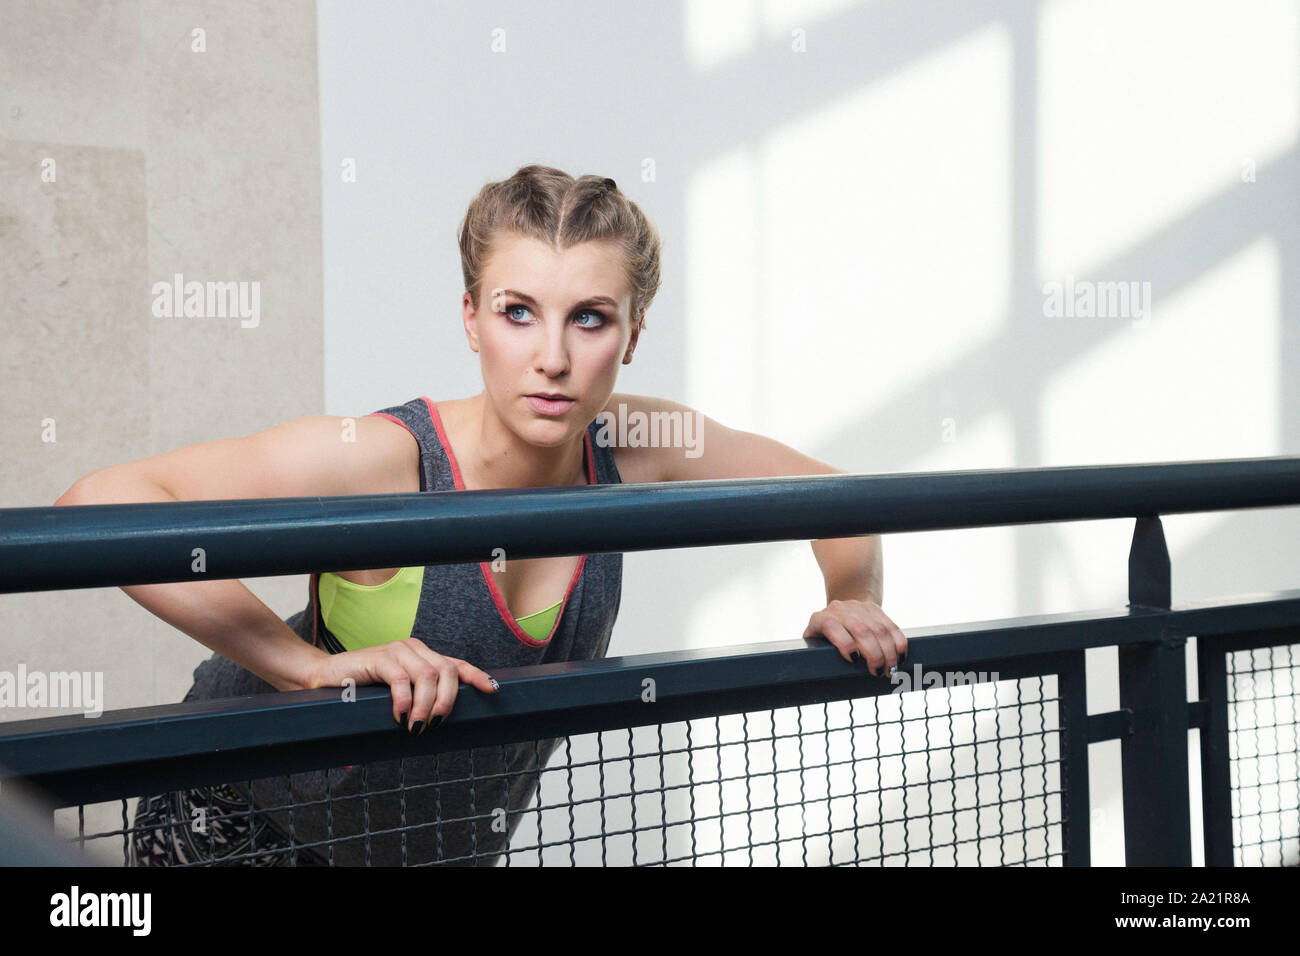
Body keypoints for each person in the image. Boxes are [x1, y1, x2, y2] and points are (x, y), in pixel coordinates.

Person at [56, 164, 906, 866]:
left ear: (633, 333)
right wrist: (298, 664)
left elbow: (835, 498)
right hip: (244, 824)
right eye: (517, 311)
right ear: (471, 317)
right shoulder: (386, 458)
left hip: (428, 852)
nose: (553, 357)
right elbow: (97, 506)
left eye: (591, 319)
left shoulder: (637, 443)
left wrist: (852, 597)